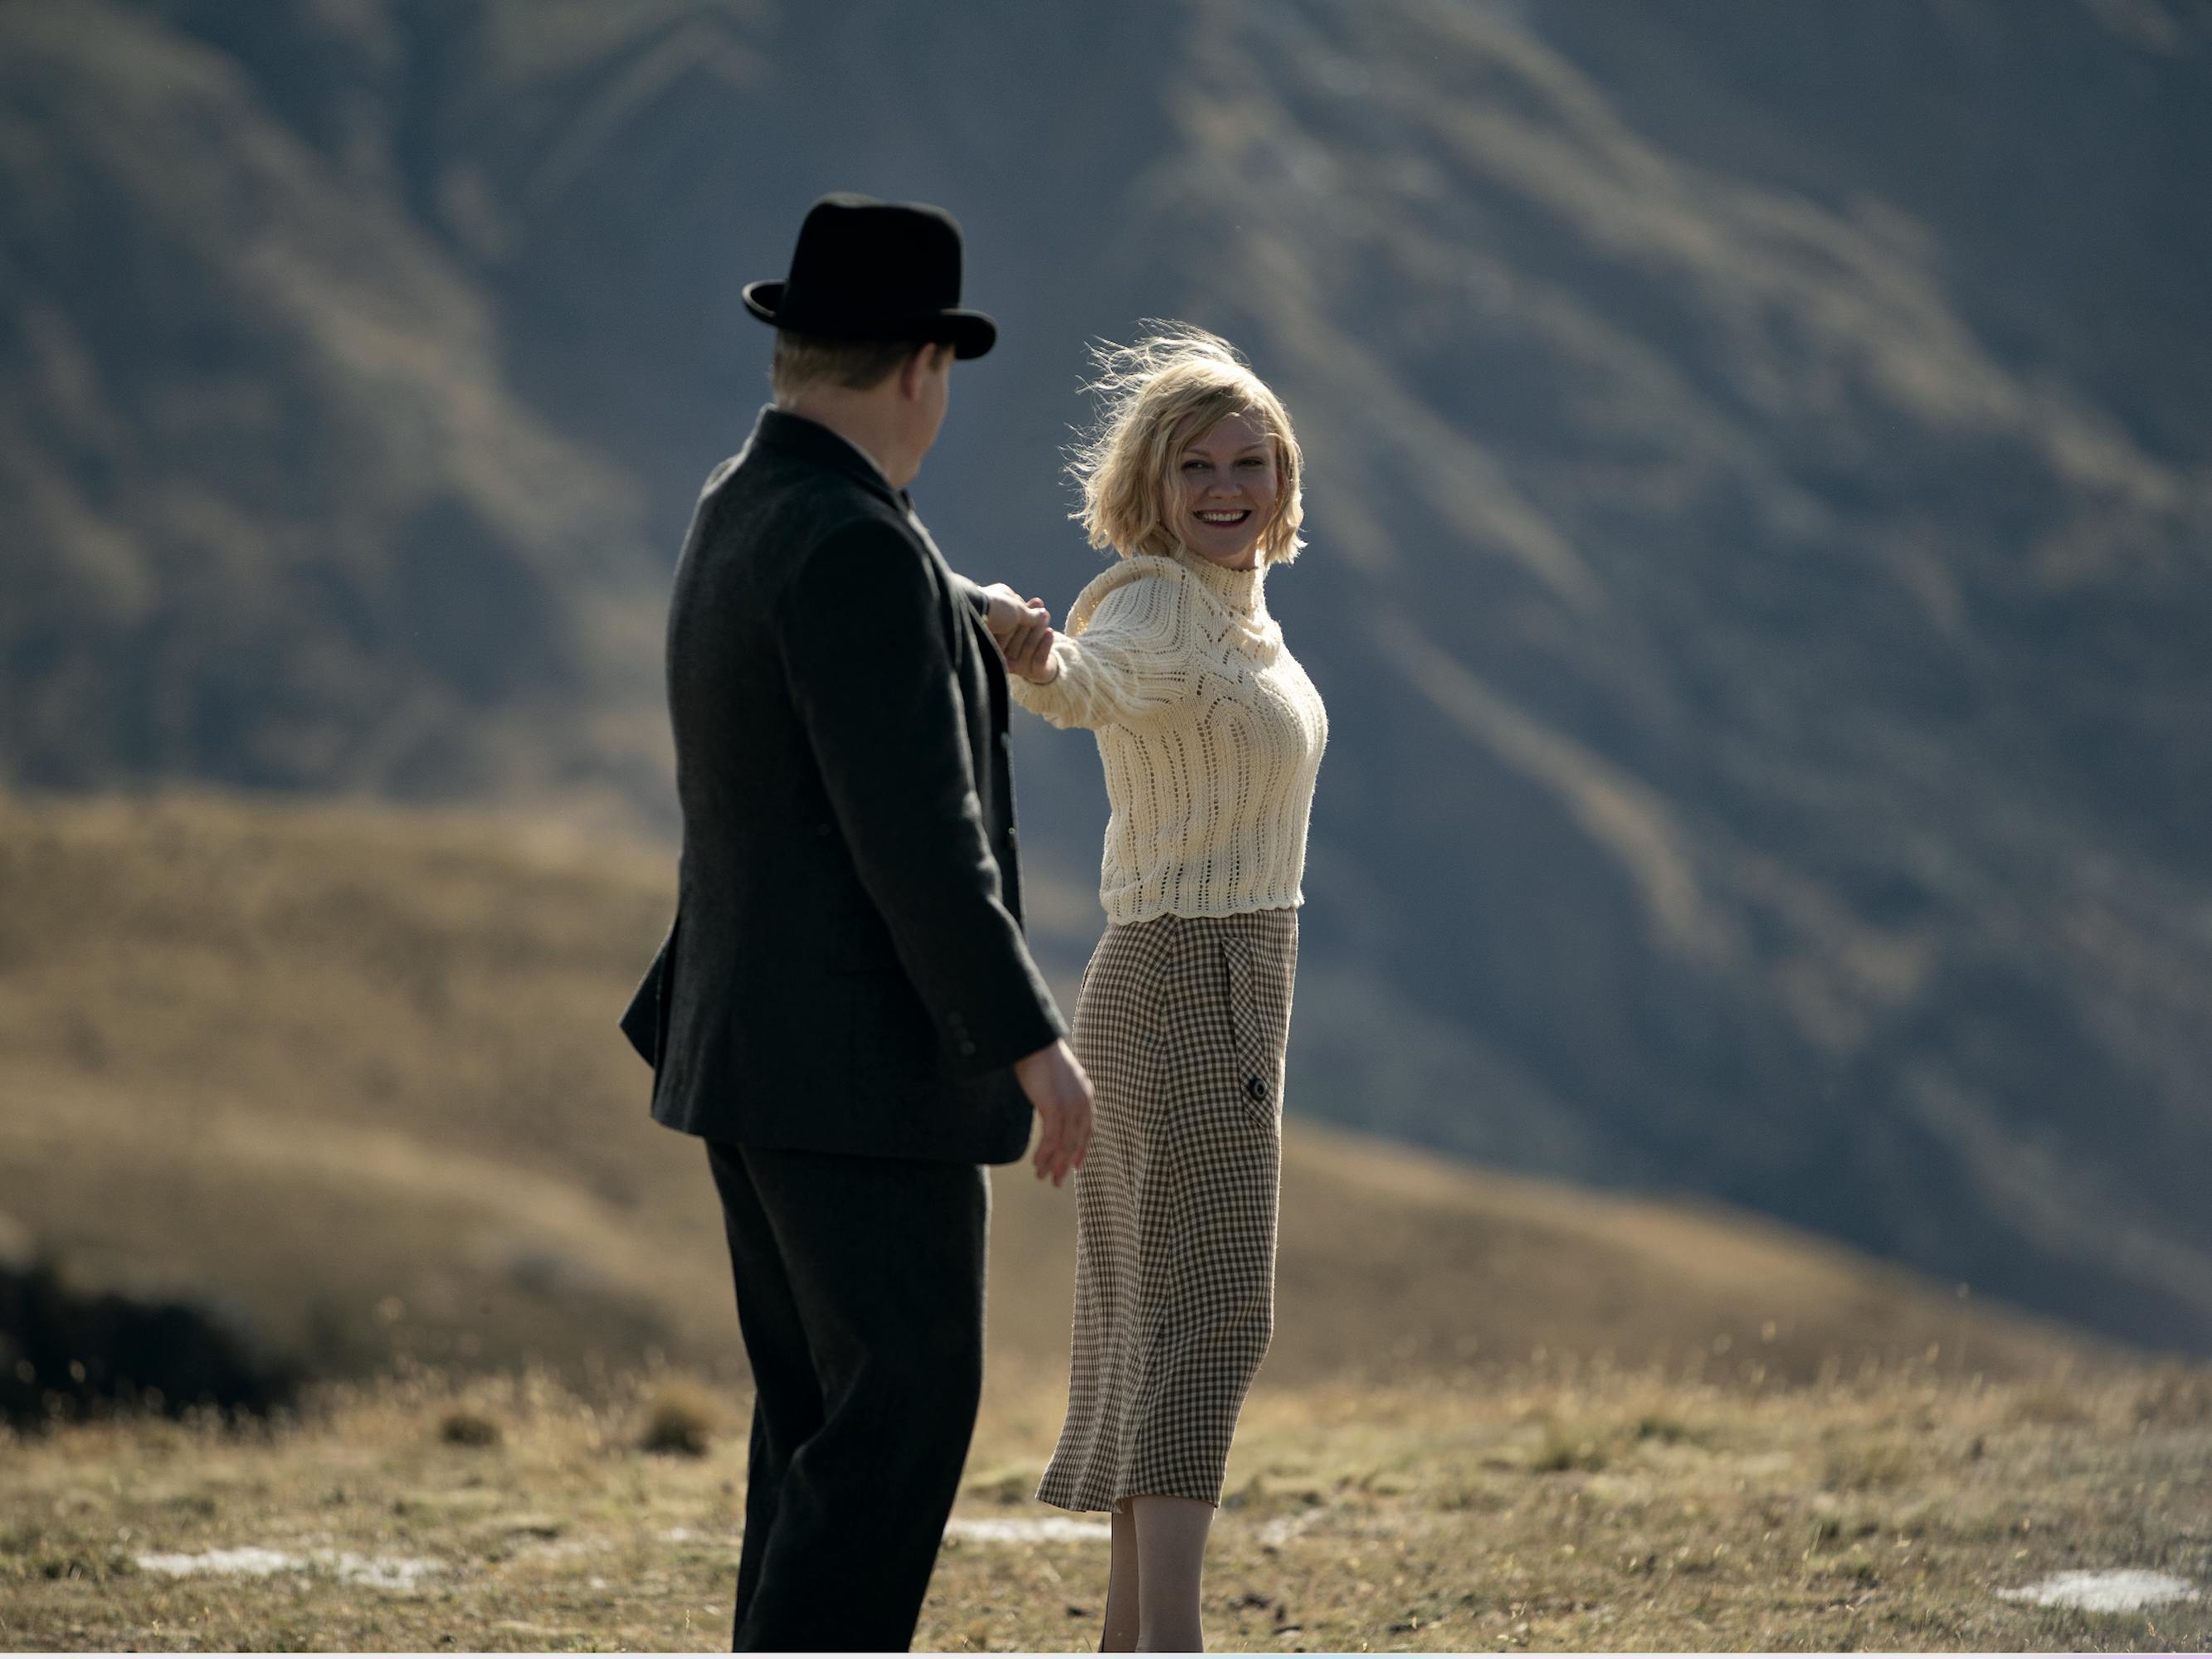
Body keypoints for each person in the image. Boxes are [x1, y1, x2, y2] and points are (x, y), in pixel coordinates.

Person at [618, 192, 1095, 1653]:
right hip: (857, 1077)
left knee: (820, 1419)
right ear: (921, 369)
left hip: (750, 1053)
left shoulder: (747, 499)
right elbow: (922, 848)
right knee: (899, 1417)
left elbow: (848, 574)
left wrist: (963, 604)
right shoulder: (856, 551)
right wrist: (1034, 1047)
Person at [998, 325, 1328, 1652]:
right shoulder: (1155, 603)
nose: (1228, 487)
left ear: (1284, 478)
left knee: (1163, 1314)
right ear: (1153, 481)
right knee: (1208, 1318)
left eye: (1251, 462)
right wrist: (1034, 658)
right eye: (1198, 465)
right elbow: (1090, 684)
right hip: (1194, 977)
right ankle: (1172, 1646)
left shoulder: (1236, 609)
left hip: (1202, 973)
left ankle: (1134, 1642)